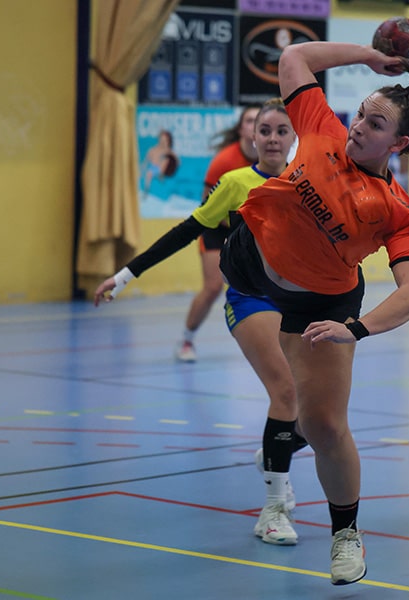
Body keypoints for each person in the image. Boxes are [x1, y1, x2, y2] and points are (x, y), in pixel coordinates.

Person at [219, 42, 409, 585]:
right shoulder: (320, 130)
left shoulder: (397, 210)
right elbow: (293, 57)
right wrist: (367, 56)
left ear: (399, 143)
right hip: (250, 268)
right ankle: (275, 495)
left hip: (322, 302)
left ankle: (345, 536)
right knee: (284, 399)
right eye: (360, 112)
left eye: (376, 123)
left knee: (324, 424)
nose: (359, 126)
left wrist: (355, 328)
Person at [94, 98, 307, 546]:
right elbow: (186, 232)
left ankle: (274, 450)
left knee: (320, 416)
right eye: (264, 130)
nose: (271, 138)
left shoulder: (307, 181)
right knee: (285, 391)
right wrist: (126, 274)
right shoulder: (234, 183)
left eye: (281, 130)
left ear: (294, 137)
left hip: (300, 301)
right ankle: (271, 509)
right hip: (251, 300)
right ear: (252, 138)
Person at [176, 104, 262, 363]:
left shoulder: (272, 159)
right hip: (217, 229)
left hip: (251, 232)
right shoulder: (225, 161)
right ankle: (187, 339)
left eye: (259, 121)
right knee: (213, 286)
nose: (254, 125)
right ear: (241, 129)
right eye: (249, 120)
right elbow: (206, 206)